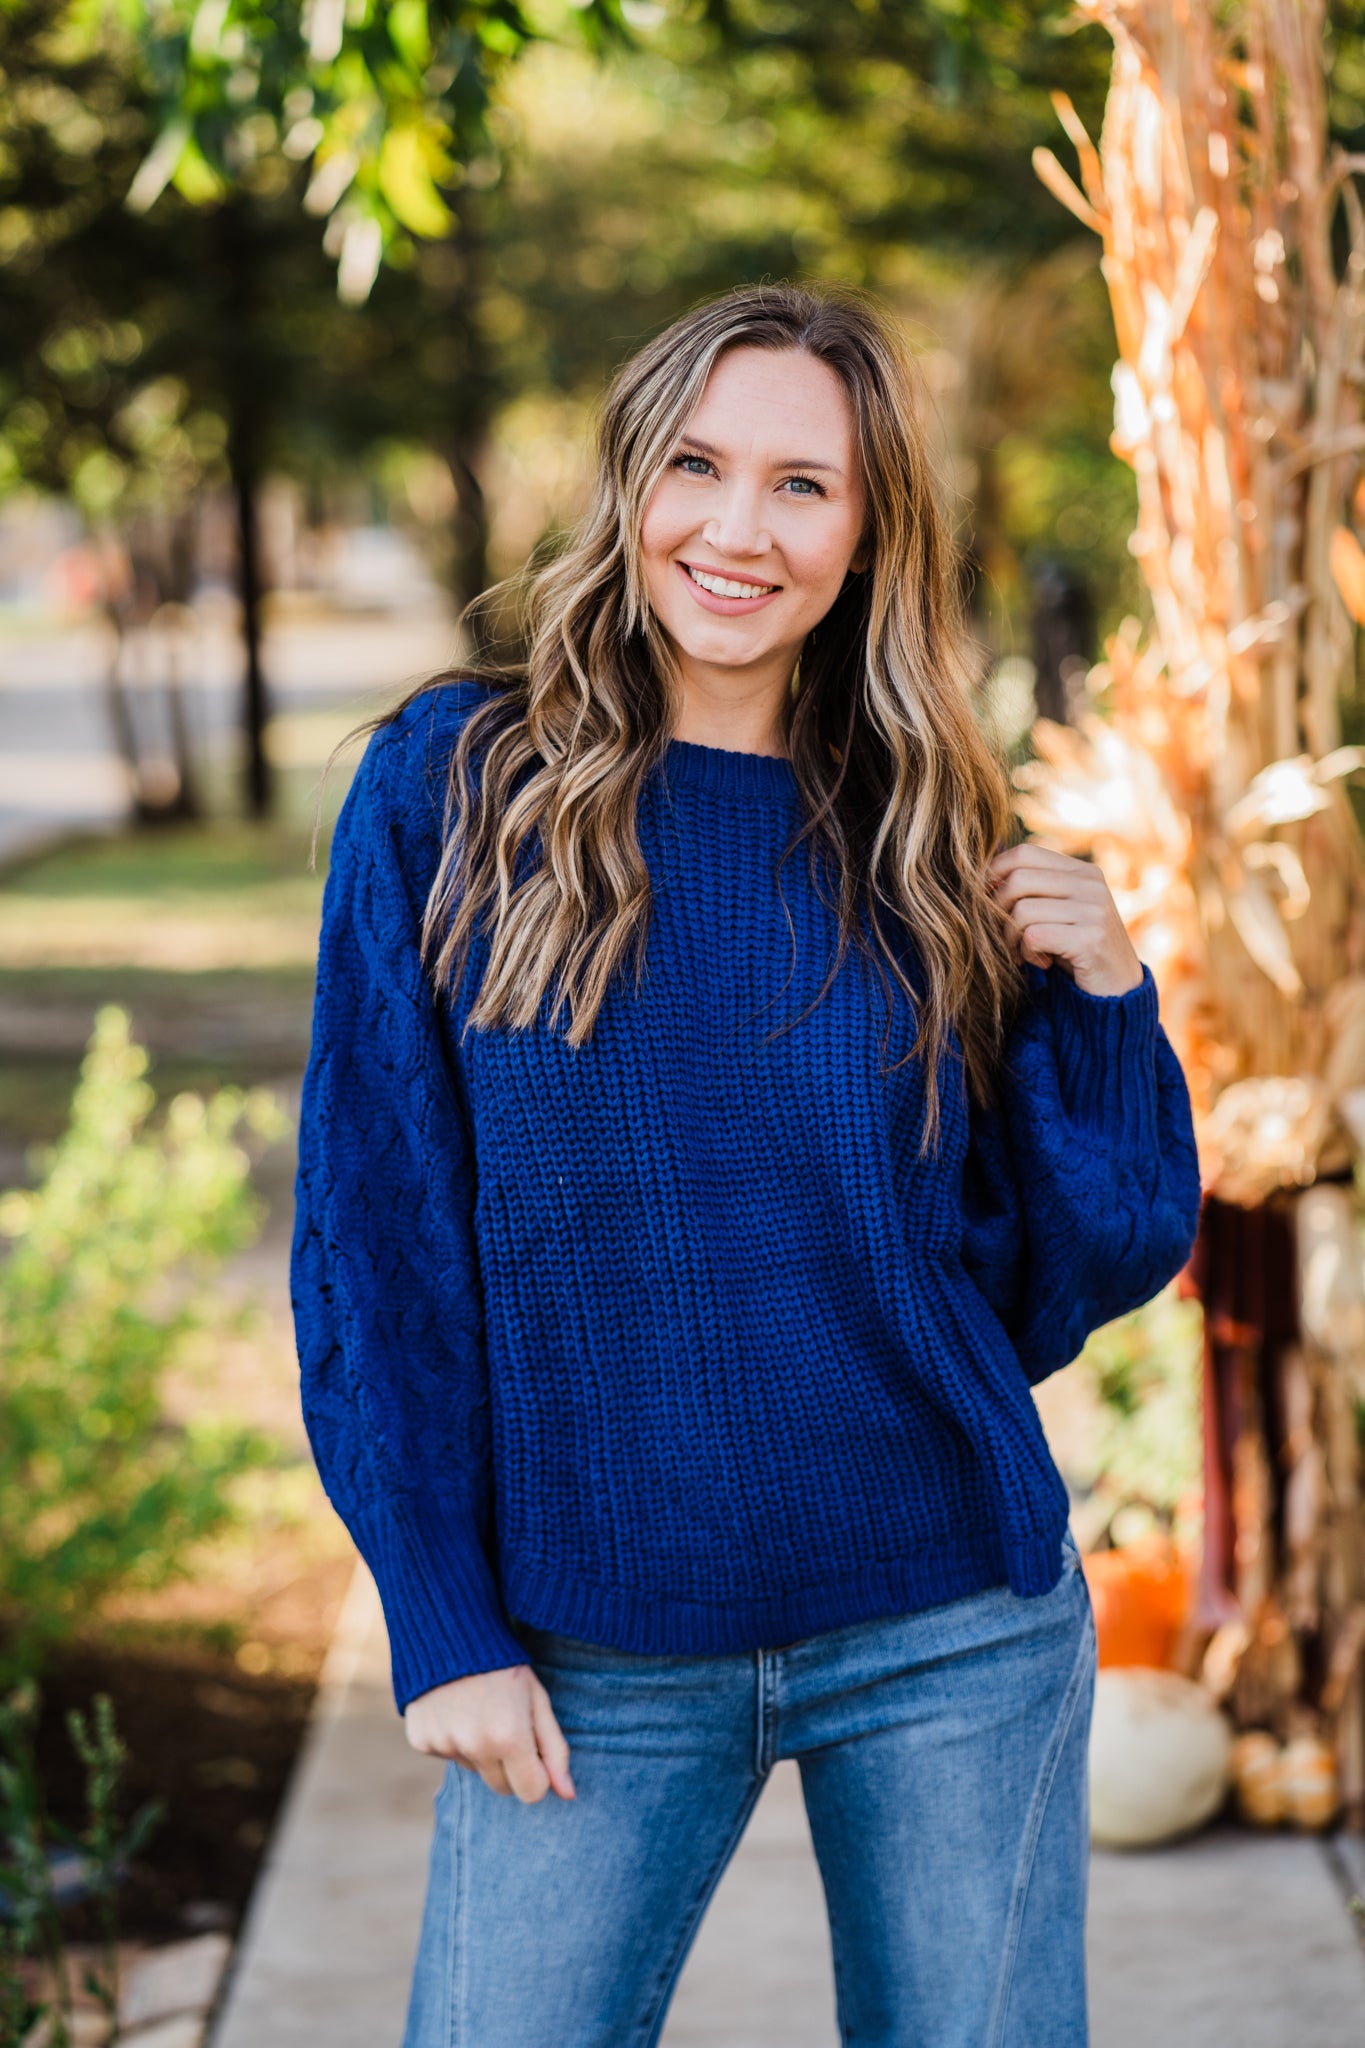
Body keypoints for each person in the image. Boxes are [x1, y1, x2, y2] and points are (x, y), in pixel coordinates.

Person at [291, 281, 1202, 2048]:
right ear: (629, 484)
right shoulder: (453, 790)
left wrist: (1101, 999)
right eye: (696, 467)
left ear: (864, 539)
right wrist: (439, 1614)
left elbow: (1059, 1266)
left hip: (948, 1627)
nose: (736, 528)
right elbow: (375, 1239)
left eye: (802, 486)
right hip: (585, 1647)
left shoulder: (924, 833)